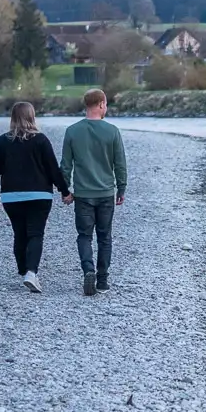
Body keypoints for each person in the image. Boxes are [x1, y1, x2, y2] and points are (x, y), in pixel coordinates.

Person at [0, 100, 69, 293]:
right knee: (36, 234)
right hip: (39, 195)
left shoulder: (2, 141)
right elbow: (53, 169)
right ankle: (31, 273)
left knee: (19, 233)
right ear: (32, 117)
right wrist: (64, 191)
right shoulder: (41, 140)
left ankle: (23, 269)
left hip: (11, 196)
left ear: (13, 118)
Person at [61, 88, 128, 296]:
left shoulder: (72, 131)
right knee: (104, 237)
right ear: (100, 104)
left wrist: (65, 190)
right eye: (105, 104)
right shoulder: (113, 131)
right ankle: (102, 280)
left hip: (83, 194)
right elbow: (120, 164)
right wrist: (121, 187)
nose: (106, 108)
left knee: (84, 236)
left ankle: (88, 270)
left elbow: (65, 166)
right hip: (106, 192)